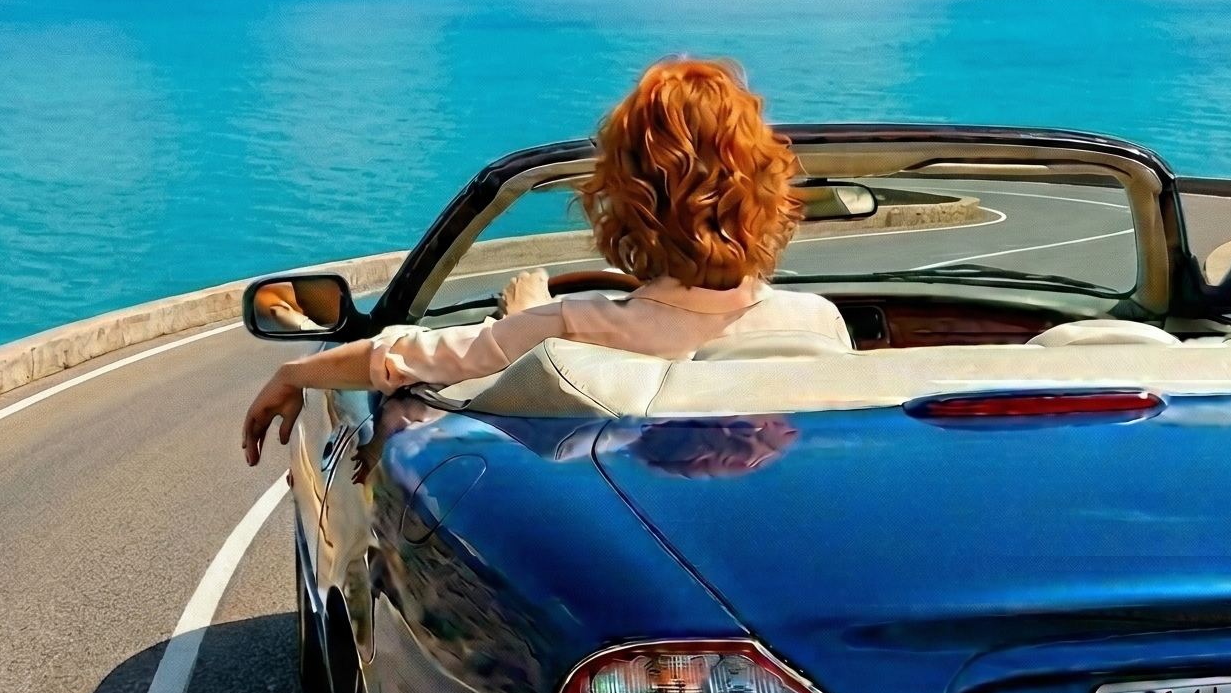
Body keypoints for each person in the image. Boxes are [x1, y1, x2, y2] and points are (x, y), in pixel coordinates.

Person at [242, 58, 851, 466]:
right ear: (769, 191)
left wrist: (292, 374)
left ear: (624, 201)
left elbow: (402, 358)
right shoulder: (818, 324)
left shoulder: (572, 329)